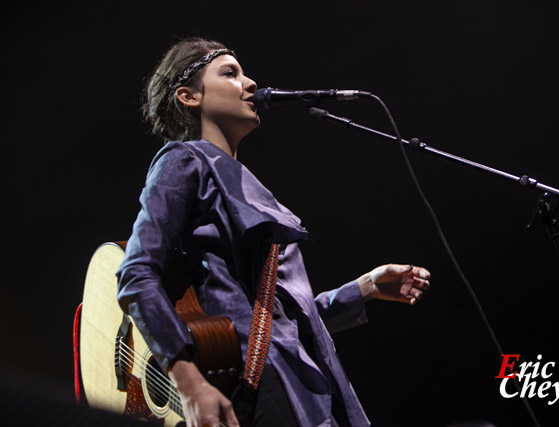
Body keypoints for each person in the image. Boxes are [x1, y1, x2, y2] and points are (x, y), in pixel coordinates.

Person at [116, 37, 431, 427]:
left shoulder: (243, 182)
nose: (250, 84)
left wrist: (363, 288)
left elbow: (282, 321)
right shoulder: (183, 160)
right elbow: (135, 274)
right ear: (188, 96)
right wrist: (188, 381)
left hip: (305, 382)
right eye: (230, 73)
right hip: (263, 384)